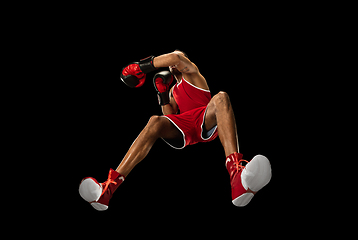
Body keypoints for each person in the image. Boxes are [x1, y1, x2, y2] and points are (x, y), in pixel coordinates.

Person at [79, 50, 272, 211]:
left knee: (221, 97)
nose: (171, 66)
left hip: (205, 117)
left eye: (174, 64)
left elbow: (176, 57)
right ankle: (109, 188)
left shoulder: (193, 74)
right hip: (185, 127)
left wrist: (140, 67)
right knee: (155, 121)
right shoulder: (173, 91)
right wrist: (163, 94)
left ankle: (236, 175)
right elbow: (169, 116)